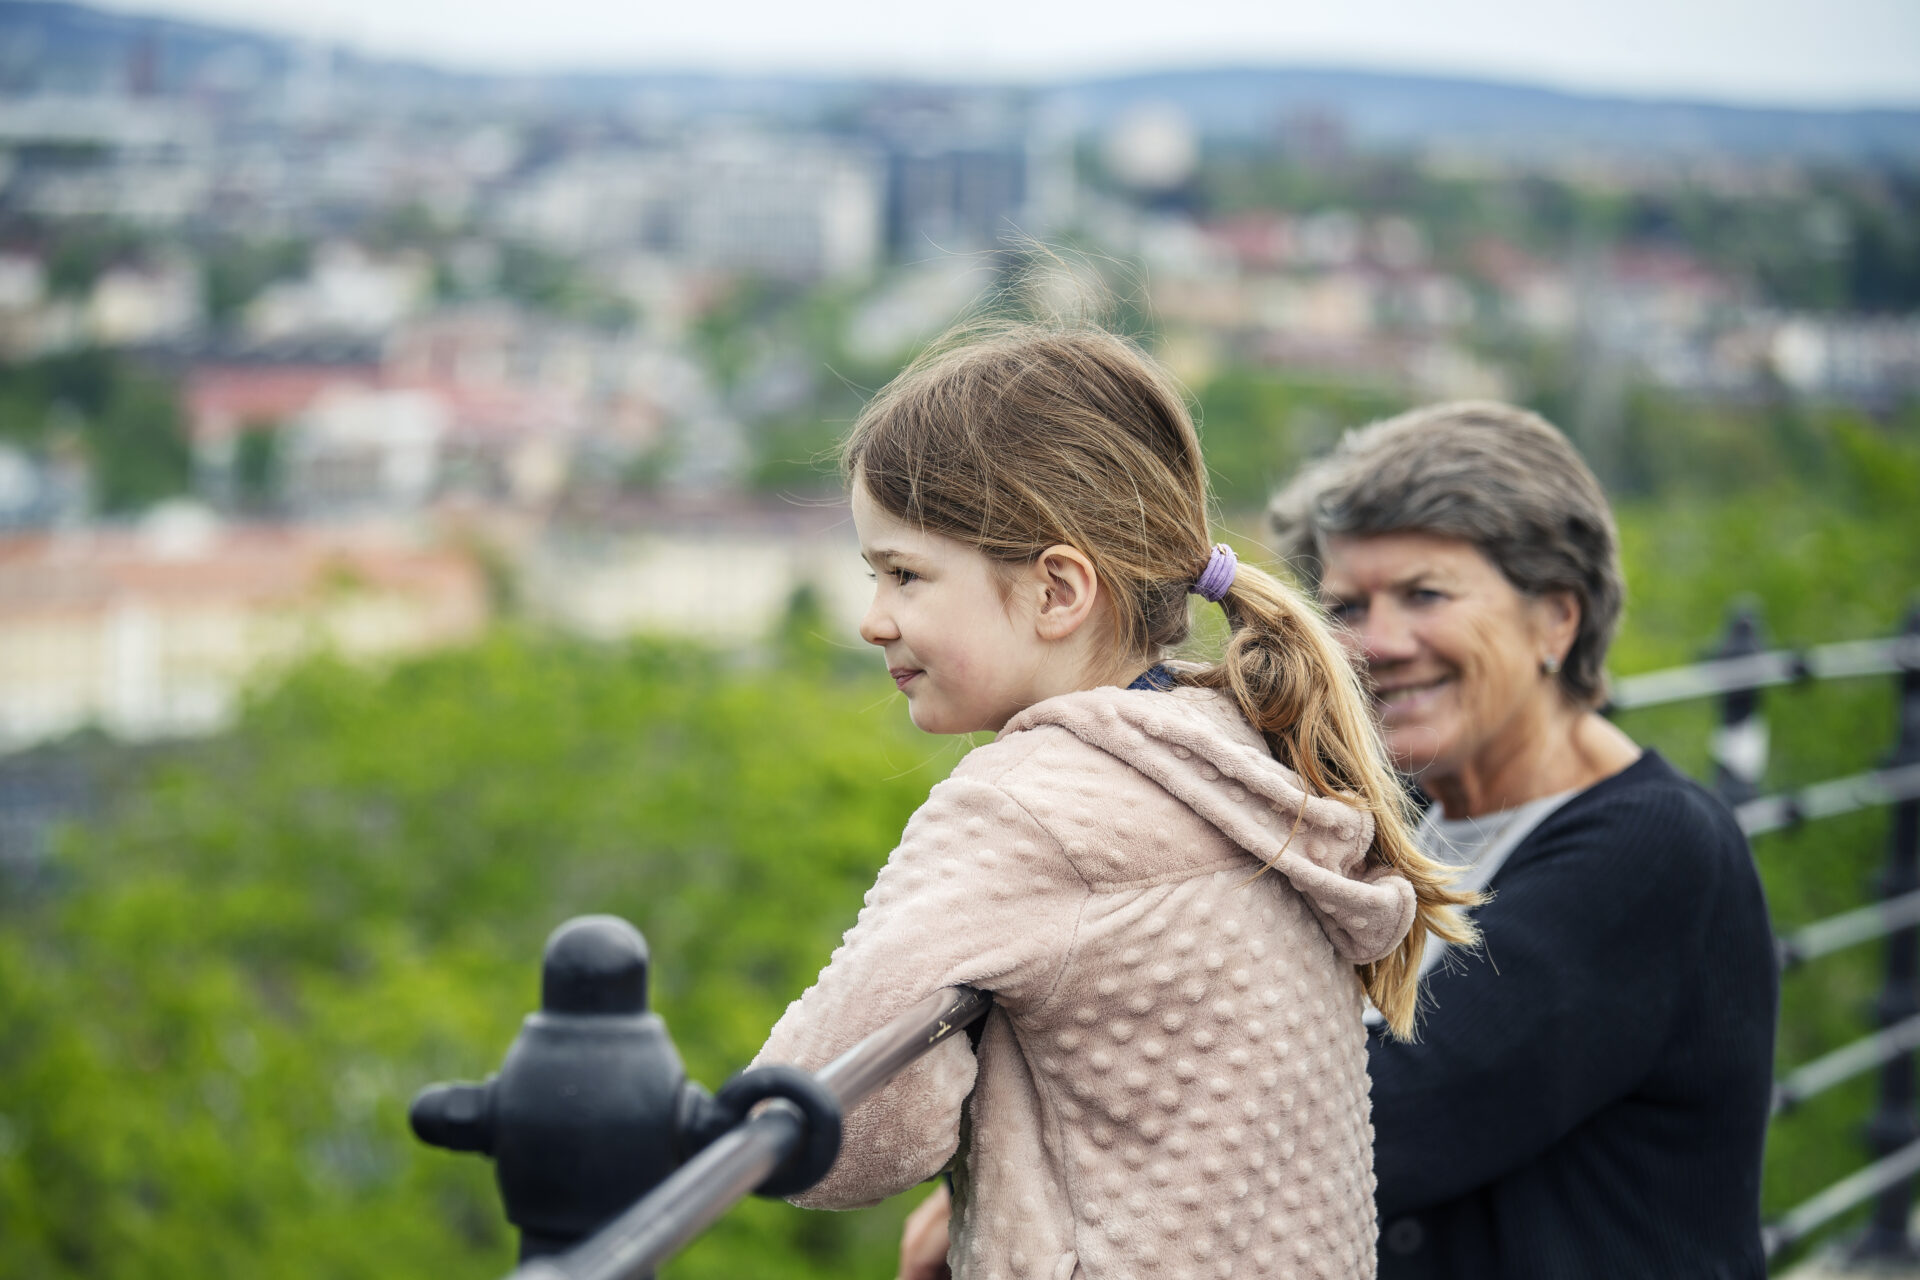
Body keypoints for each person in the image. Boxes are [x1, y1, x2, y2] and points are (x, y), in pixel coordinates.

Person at [752, 324, 1476, 1280]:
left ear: (1057, 589)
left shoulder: (1029, 807)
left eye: (906, 574)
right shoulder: (1236, 750)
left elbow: (834, 1135)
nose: (872, 616)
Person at [1266, 401, 1778, 1278]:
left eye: (1424, 594)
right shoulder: (1425, 828)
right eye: (1346, 605)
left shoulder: (1652, 850)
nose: (1376, 643)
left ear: (1557, 621)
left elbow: (1380, 1130)